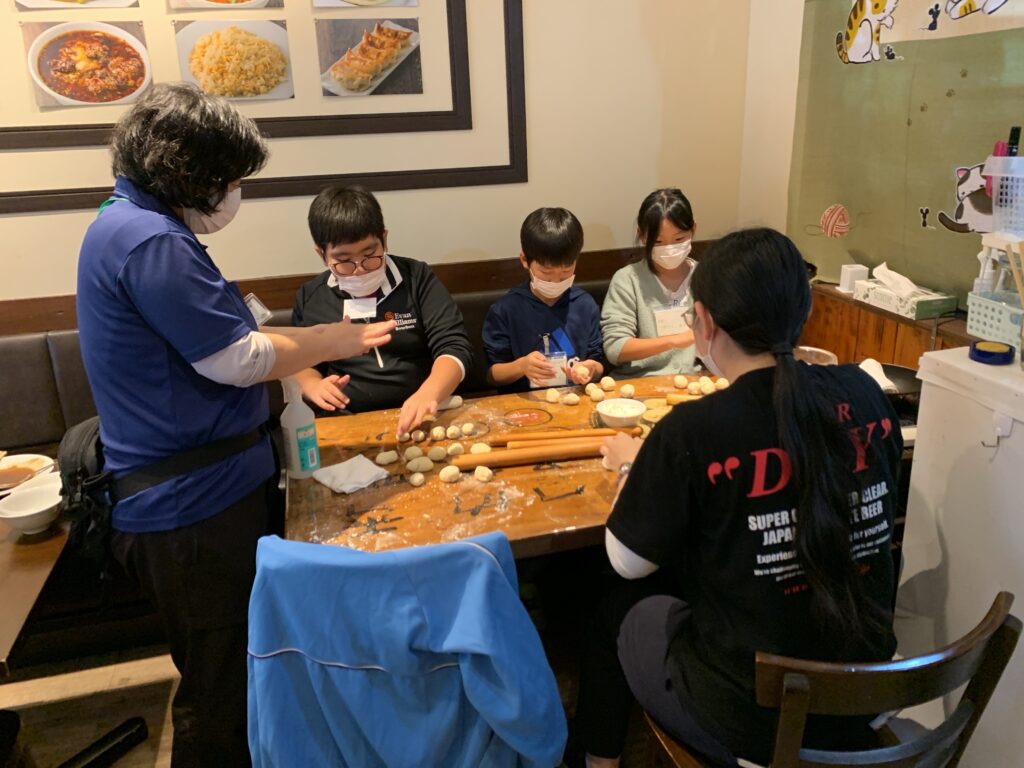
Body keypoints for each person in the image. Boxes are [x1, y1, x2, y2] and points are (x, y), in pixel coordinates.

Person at [76, 83, 394, 767]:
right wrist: (333, 339)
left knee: (235, 670)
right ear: (186, 172)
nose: (232, 194)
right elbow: (239, 358)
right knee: (221, 691)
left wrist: (308, 345)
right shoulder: (147, 241)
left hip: (207, 493)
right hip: (192, 509)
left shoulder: (129, 224)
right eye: (227, 179)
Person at [576, 229, 903, 767]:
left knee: (621, 609)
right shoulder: (864, 392)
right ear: (803, 311)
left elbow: (627, 561)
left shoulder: (694, 429)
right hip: (867, 691)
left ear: (703, 322)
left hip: (757, 722)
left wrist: (634, 465)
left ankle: (600, 762)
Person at [291, 186, 473, 436]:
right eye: (343, 261)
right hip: (349, 421)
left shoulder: (416, 278)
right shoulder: (312, 296)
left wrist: (429, 393)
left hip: (425, 413)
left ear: (384, 240)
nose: (359, 269)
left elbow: (454, 346)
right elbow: (298, 357)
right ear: (322, 254)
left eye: (370, 255)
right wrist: (311, 384)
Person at [483, 207, 606, 392]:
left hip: (574, 399)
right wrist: (521, 366)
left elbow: (597, 362)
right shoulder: (506, 309)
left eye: (566, 271)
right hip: (525, 403)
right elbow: (492, 375)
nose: (556, 281)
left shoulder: (584, 305)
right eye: (546, 273)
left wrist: (591, 369)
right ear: (524, 260)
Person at [600, 188, 699, 378]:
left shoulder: (707, 276)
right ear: (642, 236)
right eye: (658, 242)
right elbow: (615, 348)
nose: (669, 248)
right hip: (637, 382)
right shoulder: (628, 280)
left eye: (679, 239)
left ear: (693, 229)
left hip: (693, 381)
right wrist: (675, 341)